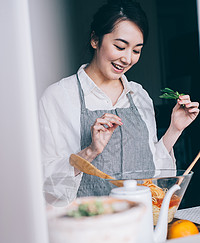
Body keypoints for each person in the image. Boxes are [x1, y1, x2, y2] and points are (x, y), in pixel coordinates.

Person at [39, 0, 199, 203]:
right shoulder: (59, 97)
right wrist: (90, 151)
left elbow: (153, 172)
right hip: (88, 225)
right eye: (120, 46)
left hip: (140, 220)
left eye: (136, 50)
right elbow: (44, 180)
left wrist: (175, 129)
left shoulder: (139, 96)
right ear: (95, 39)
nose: (127, 58)